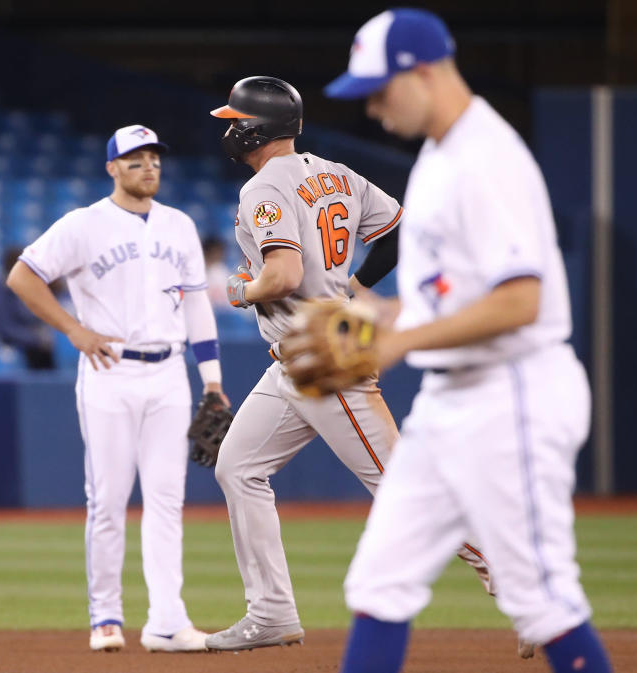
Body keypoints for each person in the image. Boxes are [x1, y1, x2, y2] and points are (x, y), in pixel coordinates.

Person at [323, 9, 614, 673]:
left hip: (512, 392)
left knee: (543, 602)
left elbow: (520, 299)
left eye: (377, 90)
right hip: (451, 402)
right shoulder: (437, 158)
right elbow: (436, 300)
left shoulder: (486, 158)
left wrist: (397, 344)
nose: (370, 108)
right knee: (380, 580)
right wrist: (367, 322)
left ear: (422, 72)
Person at [204, 76, 495, 653]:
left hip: (323, 352)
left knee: (398, 484)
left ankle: (507, 570)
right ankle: (271, 613)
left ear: (256, 127)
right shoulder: (336, 173)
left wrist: (241, 291)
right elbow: (398, 233)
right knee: (237, 467)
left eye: (235, 118)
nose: (230, 127)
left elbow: (282, 276)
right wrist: (355, 287)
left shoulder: (263, 186)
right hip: (293, 357)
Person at [6, 124, 228, 654]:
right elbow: (23, 277)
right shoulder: (84, 225)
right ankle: (105, 616)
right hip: (110, 373)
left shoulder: (179, 226)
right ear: (112, 167)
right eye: (134, 159)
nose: (147, 166)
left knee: (167, 500)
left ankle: (167, 621)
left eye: (153, 158)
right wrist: (74, 330)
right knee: (107, 499)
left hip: (170, 373)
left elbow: (197, 305)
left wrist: (213, 382)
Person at [0, 246, 55, 369]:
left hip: (31, 345)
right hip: (12, 345)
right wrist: (35, 339)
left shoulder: (27, 287)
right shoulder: (0, 293)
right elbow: (4, 328)